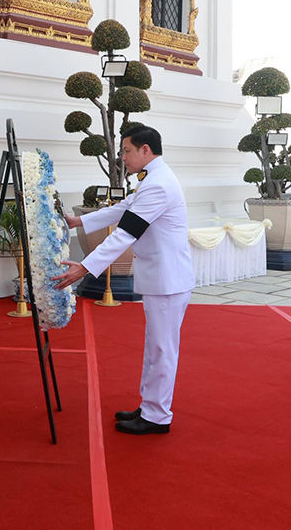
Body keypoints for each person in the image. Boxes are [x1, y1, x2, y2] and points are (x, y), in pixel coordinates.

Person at [51, 126, 194, 435]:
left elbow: (127, 232)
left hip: (168, 280)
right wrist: (80, 221)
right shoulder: (154, 178)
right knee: (155, 347)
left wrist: (85, 268)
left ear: (146, 150)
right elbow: (125, 208)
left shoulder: (158, 184)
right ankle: (150, 406)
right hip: (162, 277)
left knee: (162, 349)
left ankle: (157, 416)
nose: (122, 158)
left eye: (127, 150)